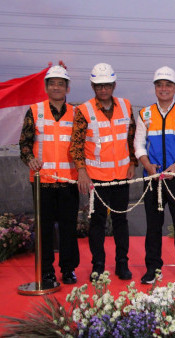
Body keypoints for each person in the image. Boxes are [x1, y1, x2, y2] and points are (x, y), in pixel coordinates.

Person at [70, 63, 137, 281]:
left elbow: (132, 138)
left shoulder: (126, 106)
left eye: (107, 85)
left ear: (114, 85)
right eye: (99, 86)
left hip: (120, 177)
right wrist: (81, 171)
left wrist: (133, 163)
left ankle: (122, 264)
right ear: (93, 86)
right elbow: (76, 145)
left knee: (120, 221)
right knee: (97, 223)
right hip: (96, 178)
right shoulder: (83, 110)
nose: (103, 90)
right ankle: (98, 265)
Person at [134, 66, 175, 284]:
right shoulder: (145, 113)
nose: (164, 89)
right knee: (153, 225)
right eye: (159, 85)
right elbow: (138, 144)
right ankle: (152, 268)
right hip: (152, 178)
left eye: (168, 85)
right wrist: (147, 165)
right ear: (154, 88)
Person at [19, 63, 80, 285]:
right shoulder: (34, 111)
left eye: (61, 84)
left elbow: (82, 146)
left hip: (68, 181)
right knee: (44, 230)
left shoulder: (76, 113)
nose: (56, 87)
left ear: (67, 88)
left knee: (68, 228)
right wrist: (30, 159)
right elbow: (24, 144)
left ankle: (68, 269)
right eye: (52, 83)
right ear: (46, 87)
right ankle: (46, 271)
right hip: (42, 181)